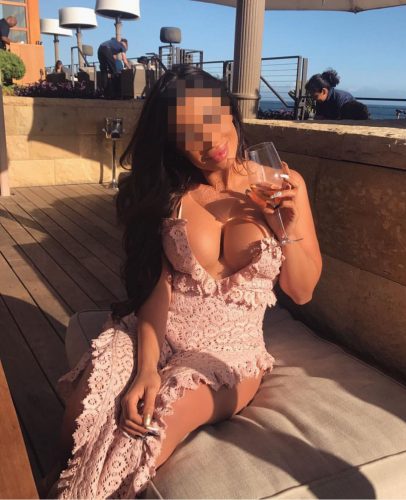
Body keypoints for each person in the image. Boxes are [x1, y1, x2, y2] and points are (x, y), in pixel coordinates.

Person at [44, 65, 322, 499]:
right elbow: (158, 287)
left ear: (231, 111)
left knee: (148, 427)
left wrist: (286, 225)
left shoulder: (283, 184)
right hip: (157, 332)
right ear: (173, 143)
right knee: (84, 412)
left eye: (213, 118)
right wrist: (146, 368)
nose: (209, 140)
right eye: (188, 132)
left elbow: (302, 292)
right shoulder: (171, 194)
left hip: (228, 353)